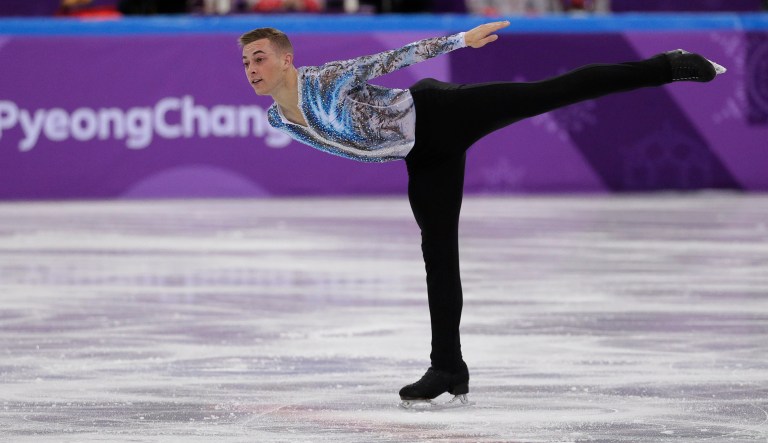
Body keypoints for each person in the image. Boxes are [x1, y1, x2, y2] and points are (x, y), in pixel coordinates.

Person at [238, 22, 725, 406]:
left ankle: (667, 65)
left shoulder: (324, 80)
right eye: (245, 62)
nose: (252, 68)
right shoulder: (279, 118)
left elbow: (389, 58)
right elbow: (353, 147)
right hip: (423, 157)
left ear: (286, 59)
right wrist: (404, 155)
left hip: (441, 112)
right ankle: (448, 367)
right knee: (438, 258)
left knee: (549, 92)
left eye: (260, 57)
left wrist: (459, 41)